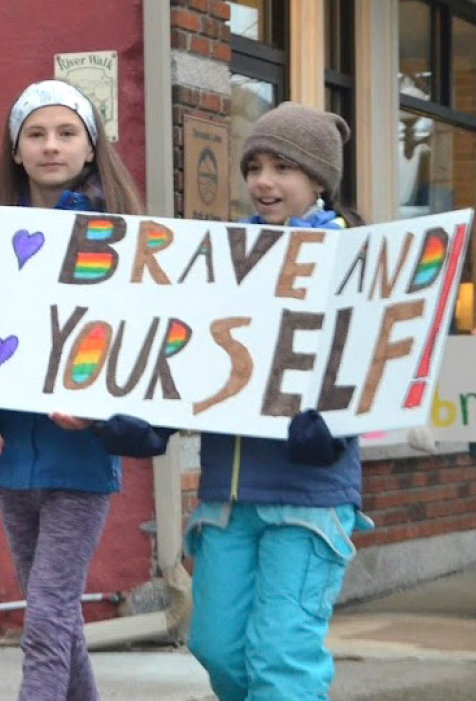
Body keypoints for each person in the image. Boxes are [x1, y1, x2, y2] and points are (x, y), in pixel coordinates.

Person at [0, 80, 172, 701]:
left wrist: (99, 414)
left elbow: (134, 343)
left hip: (79, 460)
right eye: (37, 134)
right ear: (15, 150)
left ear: (92, 147)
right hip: (9, 458)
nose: (51, 146)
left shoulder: (120, 239)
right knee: (59, 619)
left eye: (67, 132)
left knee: (45, 622)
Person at [184, 101, 374, 701]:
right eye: (255, 166)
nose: (263, 181)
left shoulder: (356, 259)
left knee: (282, 660)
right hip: (227, 494)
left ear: (318, 180)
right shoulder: (223, 257)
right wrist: (149, 417)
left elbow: (372, 362)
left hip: (308, 498)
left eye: (283, 167)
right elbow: (185, 351)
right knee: (216, 647)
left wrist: (338, 427)